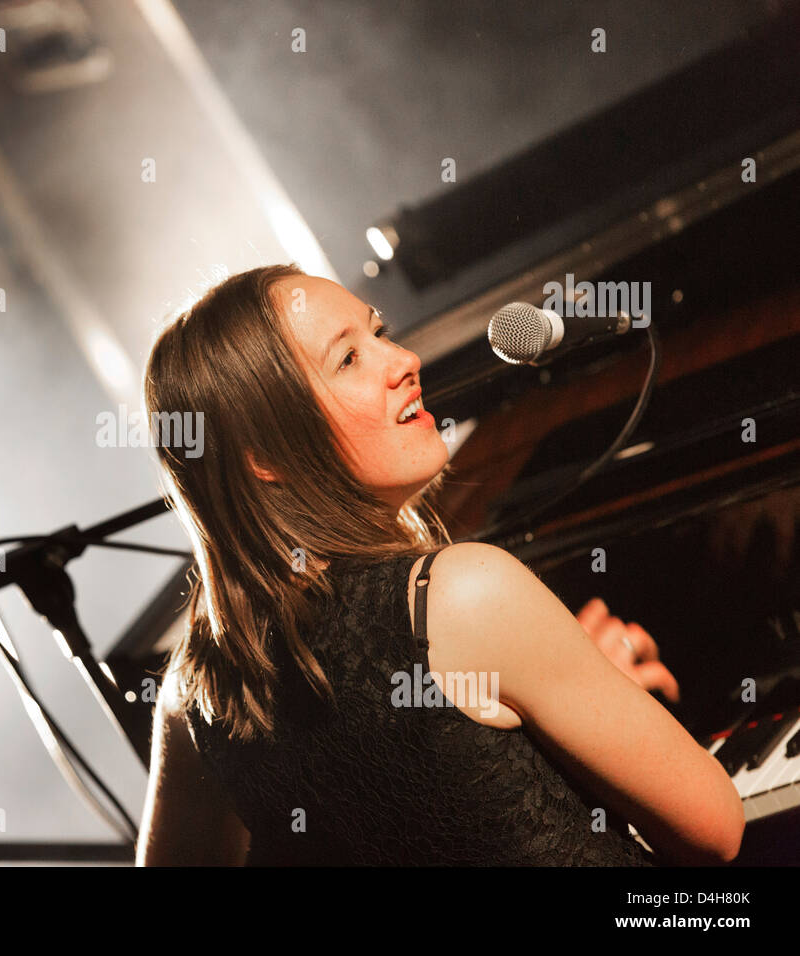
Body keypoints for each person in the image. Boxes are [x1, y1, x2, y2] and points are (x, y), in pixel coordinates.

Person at [134, 264, 744, 866]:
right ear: (263, 455)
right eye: (347, 359)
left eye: (379, 332)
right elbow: (716, 832)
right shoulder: (460, 593)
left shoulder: (195, 694)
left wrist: (565, 693)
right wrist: (594, 715)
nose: (403, 361)